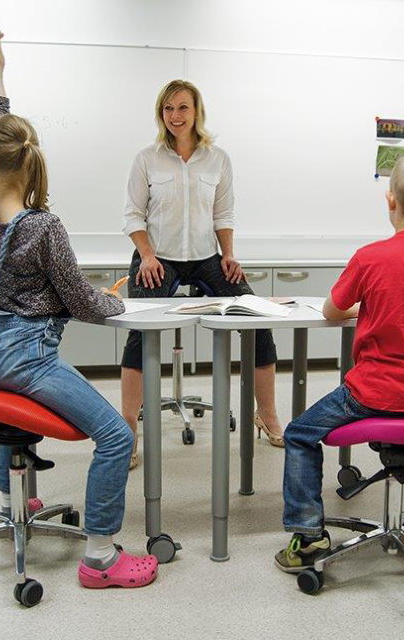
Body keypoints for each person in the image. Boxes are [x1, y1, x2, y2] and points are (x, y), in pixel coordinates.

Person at [0, 31, 158, 589]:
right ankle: (100, 556)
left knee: (24, 401)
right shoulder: (43, 225)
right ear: (32, 161)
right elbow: (80, 301)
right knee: (118, 436)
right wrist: (116, 300)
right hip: (26, 357)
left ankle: (16, 498)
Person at [275, 152, 404, 573]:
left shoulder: (370, 257)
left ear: (390, 201)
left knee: (298, 433)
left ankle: (310, 536)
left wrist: (362, 311)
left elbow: (333, 310)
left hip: (374, 392)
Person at [120, 79, 283, 468]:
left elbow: (222, 214)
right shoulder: (147, 158)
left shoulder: (218, 159)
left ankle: (268, 414)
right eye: (168, 109)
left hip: (207, 256)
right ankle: (127, 428)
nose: (176, 116)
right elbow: (133, 214)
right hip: (157, 256)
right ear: (161, 114)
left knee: (258, 318)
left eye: (183, 108)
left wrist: (229, 254)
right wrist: (145, 255)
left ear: (197, 112)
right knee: (139, 331)